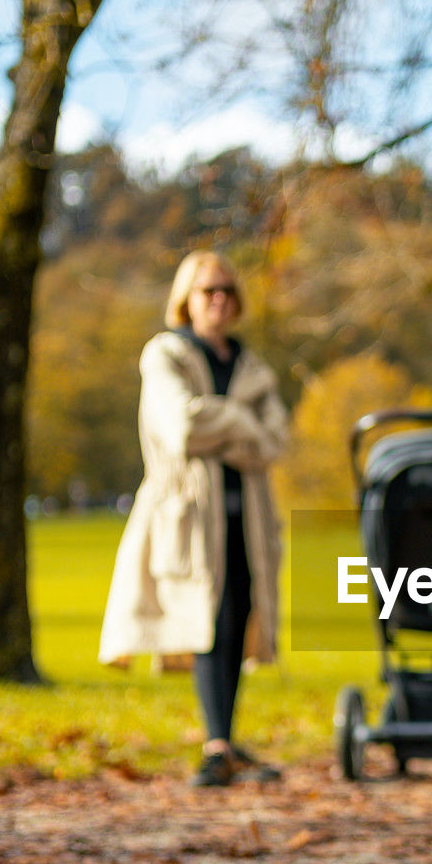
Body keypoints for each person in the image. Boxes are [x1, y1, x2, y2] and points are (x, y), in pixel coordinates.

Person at [100, 250, 289, 787]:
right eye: (209, 290)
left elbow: (274, 441)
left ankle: (224, 739)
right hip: (187, 514)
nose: (220, 299)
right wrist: (239, 420)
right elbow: (181, 427)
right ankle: (216, 744)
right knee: (205, 621)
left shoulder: (252, 366)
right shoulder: (165, 354)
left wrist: (222, 425)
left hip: (246, 517)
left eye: (228, 289)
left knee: (236, 619)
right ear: (186, 297)